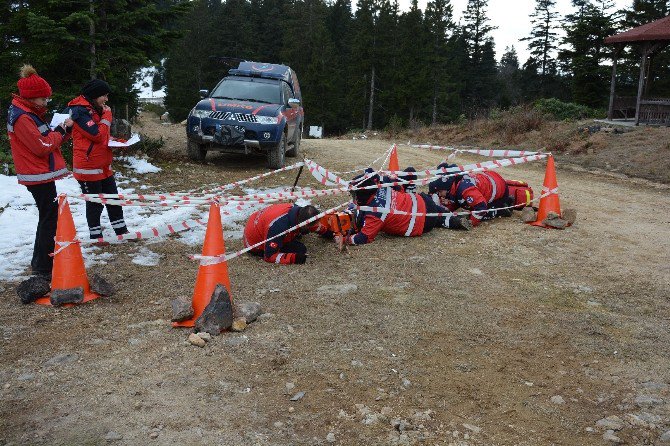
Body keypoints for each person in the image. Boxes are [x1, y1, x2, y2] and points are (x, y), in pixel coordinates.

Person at [7, 65, 73, 280]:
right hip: (36, 175)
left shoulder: (30, 112)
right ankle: (43, 268)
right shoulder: (23, 117)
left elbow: (48, 140)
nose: (46, 102)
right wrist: (60, 131)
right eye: (43, 99)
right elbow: (41, 146)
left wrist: (64, 131)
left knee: (49, 216)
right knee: (49, 218)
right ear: (31, 97)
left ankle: (43, 264)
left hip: (41, 173)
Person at [337, 169, 470, 248]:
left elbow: (364, 237)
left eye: (354, 195)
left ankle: (449, 220)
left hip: (421, 223)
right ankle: (452, 218)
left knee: (434, 220)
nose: (353, 198)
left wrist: (345, 239)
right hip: (422, 200)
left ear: (362, 194)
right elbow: (399, 188)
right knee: (435, 212)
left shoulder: (375, 213)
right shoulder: (382, 188)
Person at [67, 79, 129, 240]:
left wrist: (116, 141)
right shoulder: (79, 111)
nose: (106, 100)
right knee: (94, 204)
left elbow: (102, 134)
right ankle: (96, 237)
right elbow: (96, 134)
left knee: (113, 199)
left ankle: (121, 232)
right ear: (95, 95)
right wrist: (107, 116)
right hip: (88, 167)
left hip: (103, 165)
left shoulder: (94, 108)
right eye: (104, 96)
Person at [428, 163, 521, 227]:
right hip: (492, 179)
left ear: (446, 186)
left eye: (440, 192)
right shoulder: (455, 183)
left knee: (477, 212)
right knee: (468, 205)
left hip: (501, 190)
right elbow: (458, 200)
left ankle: (501, 210)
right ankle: (505, 203)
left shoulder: (465, 189)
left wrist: (471, 222)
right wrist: (448, 208)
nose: (440, 195)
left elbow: (481, 207)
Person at [243, 203, 331, 264]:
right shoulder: (279, 227)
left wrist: (328, 233)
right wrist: (294, 258)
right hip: (254, 244)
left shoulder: (297, 210)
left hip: (257, 224)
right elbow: (269, 256)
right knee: (300, 249)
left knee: (300, 234)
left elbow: (311, 223)